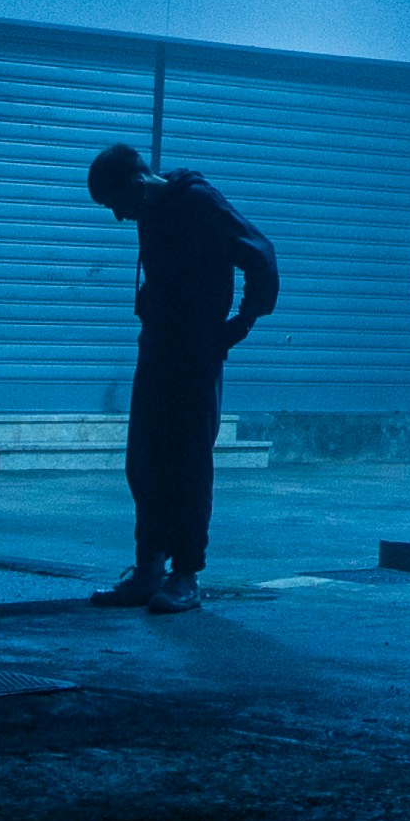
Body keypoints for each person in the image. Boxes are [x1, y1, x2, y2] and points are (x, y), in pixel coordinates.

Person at [85, 144, 277, 612]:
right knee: (146, 459)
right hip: (157, 349)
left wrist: (240, 324)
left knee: (188, 462)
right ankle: (149, 567)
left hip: (194, 355)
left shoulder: (198, 204)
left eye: (115, 205)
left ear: (134, 186)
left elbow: (261, 256)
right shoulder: (152, 209)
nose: (117, 218)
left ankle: (185, 575)